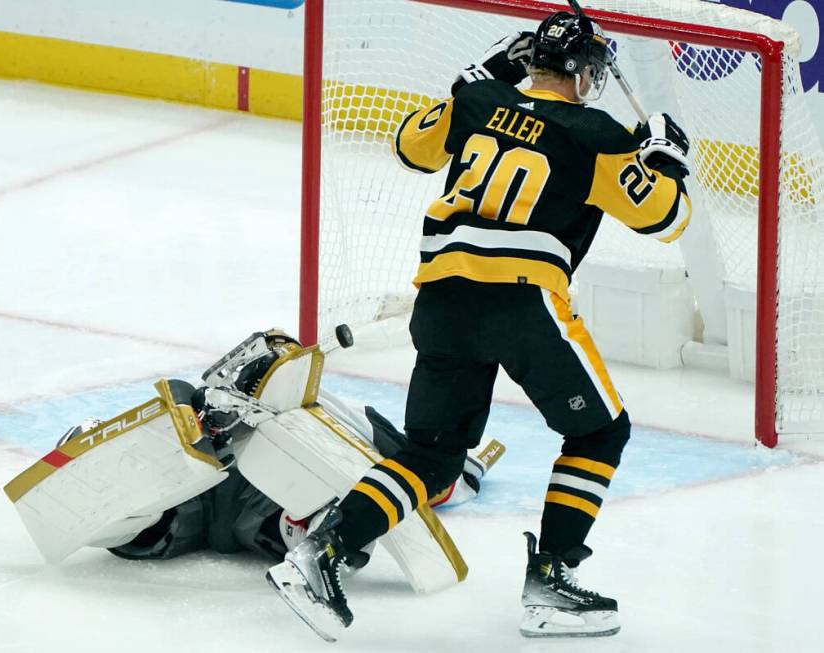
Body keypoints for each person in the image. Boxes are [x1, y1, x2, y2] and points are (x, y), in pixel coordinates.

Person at [268, 10, 691, 641]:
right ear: (579, 75)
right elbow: (665, 220)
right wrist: (666, 158)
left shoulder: (478, 100)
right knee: (600, 432)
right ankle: (551, 579)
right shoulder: (597, 132)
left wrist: (479, 76)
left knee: (432, 459)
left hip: (441, 300)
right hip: (522, 303)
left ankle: (320, 555)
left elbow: (410, 147)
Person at [60, 358, 499, 564]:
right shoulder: (371, 438)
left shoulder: (371, 444)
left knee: (336, 520)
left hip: (235, 510)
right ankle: (313, 531)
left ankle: (314, 532)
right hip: (230, 504)